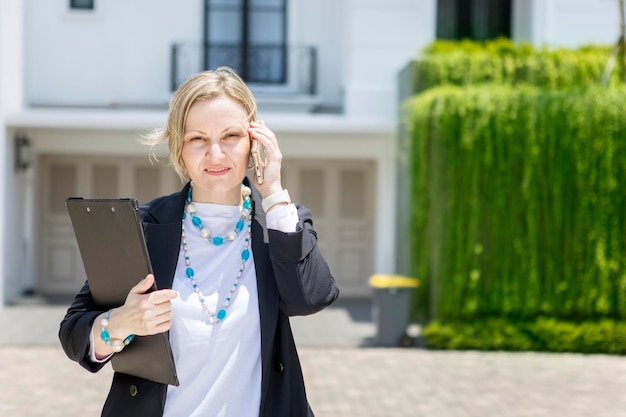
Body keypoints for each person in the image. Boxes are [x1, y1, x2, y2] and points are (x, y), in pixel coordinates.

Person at [59, 66, 339, 417]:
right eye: (198, 139)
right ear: (179, 147)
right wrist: (119, 323)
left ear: (255, 141)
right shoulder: (142, 228)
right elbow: (73, 333)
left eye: (231, 136)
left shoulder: (280, 225)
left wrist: (274, 193)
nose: (216, 154)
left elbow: (310, 298)